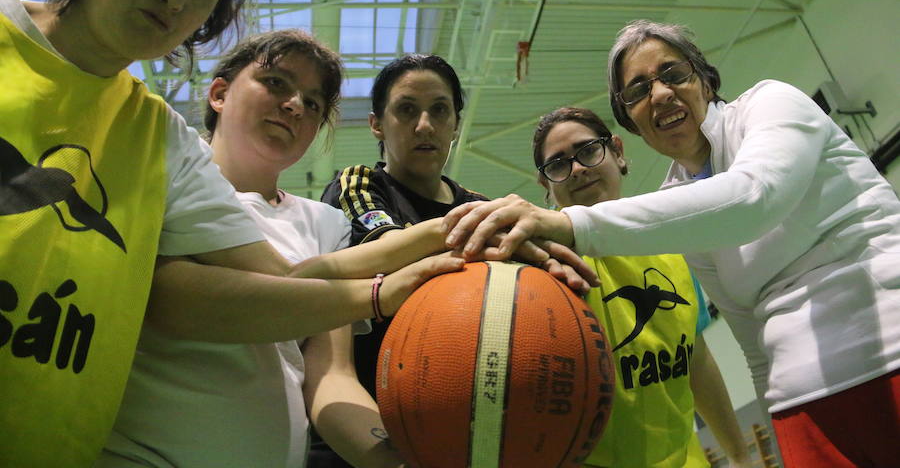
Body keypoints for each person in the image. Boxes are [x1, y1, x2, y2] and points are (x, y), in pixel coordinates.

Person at [0, 0, 463, 466]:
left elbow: (288, 289)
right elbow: (185, 301)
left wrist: (442, 234)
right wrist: (382, 287)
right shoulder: (169, 142)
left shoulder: (157, 137)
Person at [444, 20, 900, 467]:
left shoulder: (770, 103)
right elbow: (748, 332)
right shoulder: (673, 208)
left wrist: (570, 224)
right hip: (801, 402)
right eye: (638, 91)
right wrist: (772, 417)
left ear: (704, 79)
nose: (660, 94)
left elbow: (754, 198)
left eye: (673, 74)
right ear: (634, 122)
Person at [99, 29, 409, 467]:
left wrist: (394, 459)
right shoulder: (158, 166)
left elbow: (330, 377)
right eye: (277, 82)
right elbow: (172, 300)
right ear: (219, 93)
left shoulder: (325, 222)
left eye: (314, 103)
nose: (296, 104)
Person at [313, 54, 594, 468]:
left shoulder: (482, 207)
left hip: (463, 430)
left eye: (439, 110)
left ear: (456, 124)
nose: (424, 125)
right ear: (377, 124)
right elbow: (391, 248)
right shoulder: (360, 184)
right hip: (362, 434)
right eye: (407, 110)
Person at [532, 106, 750, 468]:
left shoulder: (669, 245)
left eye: (588, 150)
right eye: (558, 164)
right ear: (547, 186)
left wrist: (740, 456)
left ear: (617, 151)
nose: (578, 168)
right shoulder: (542, 264)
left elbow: (695, 360)